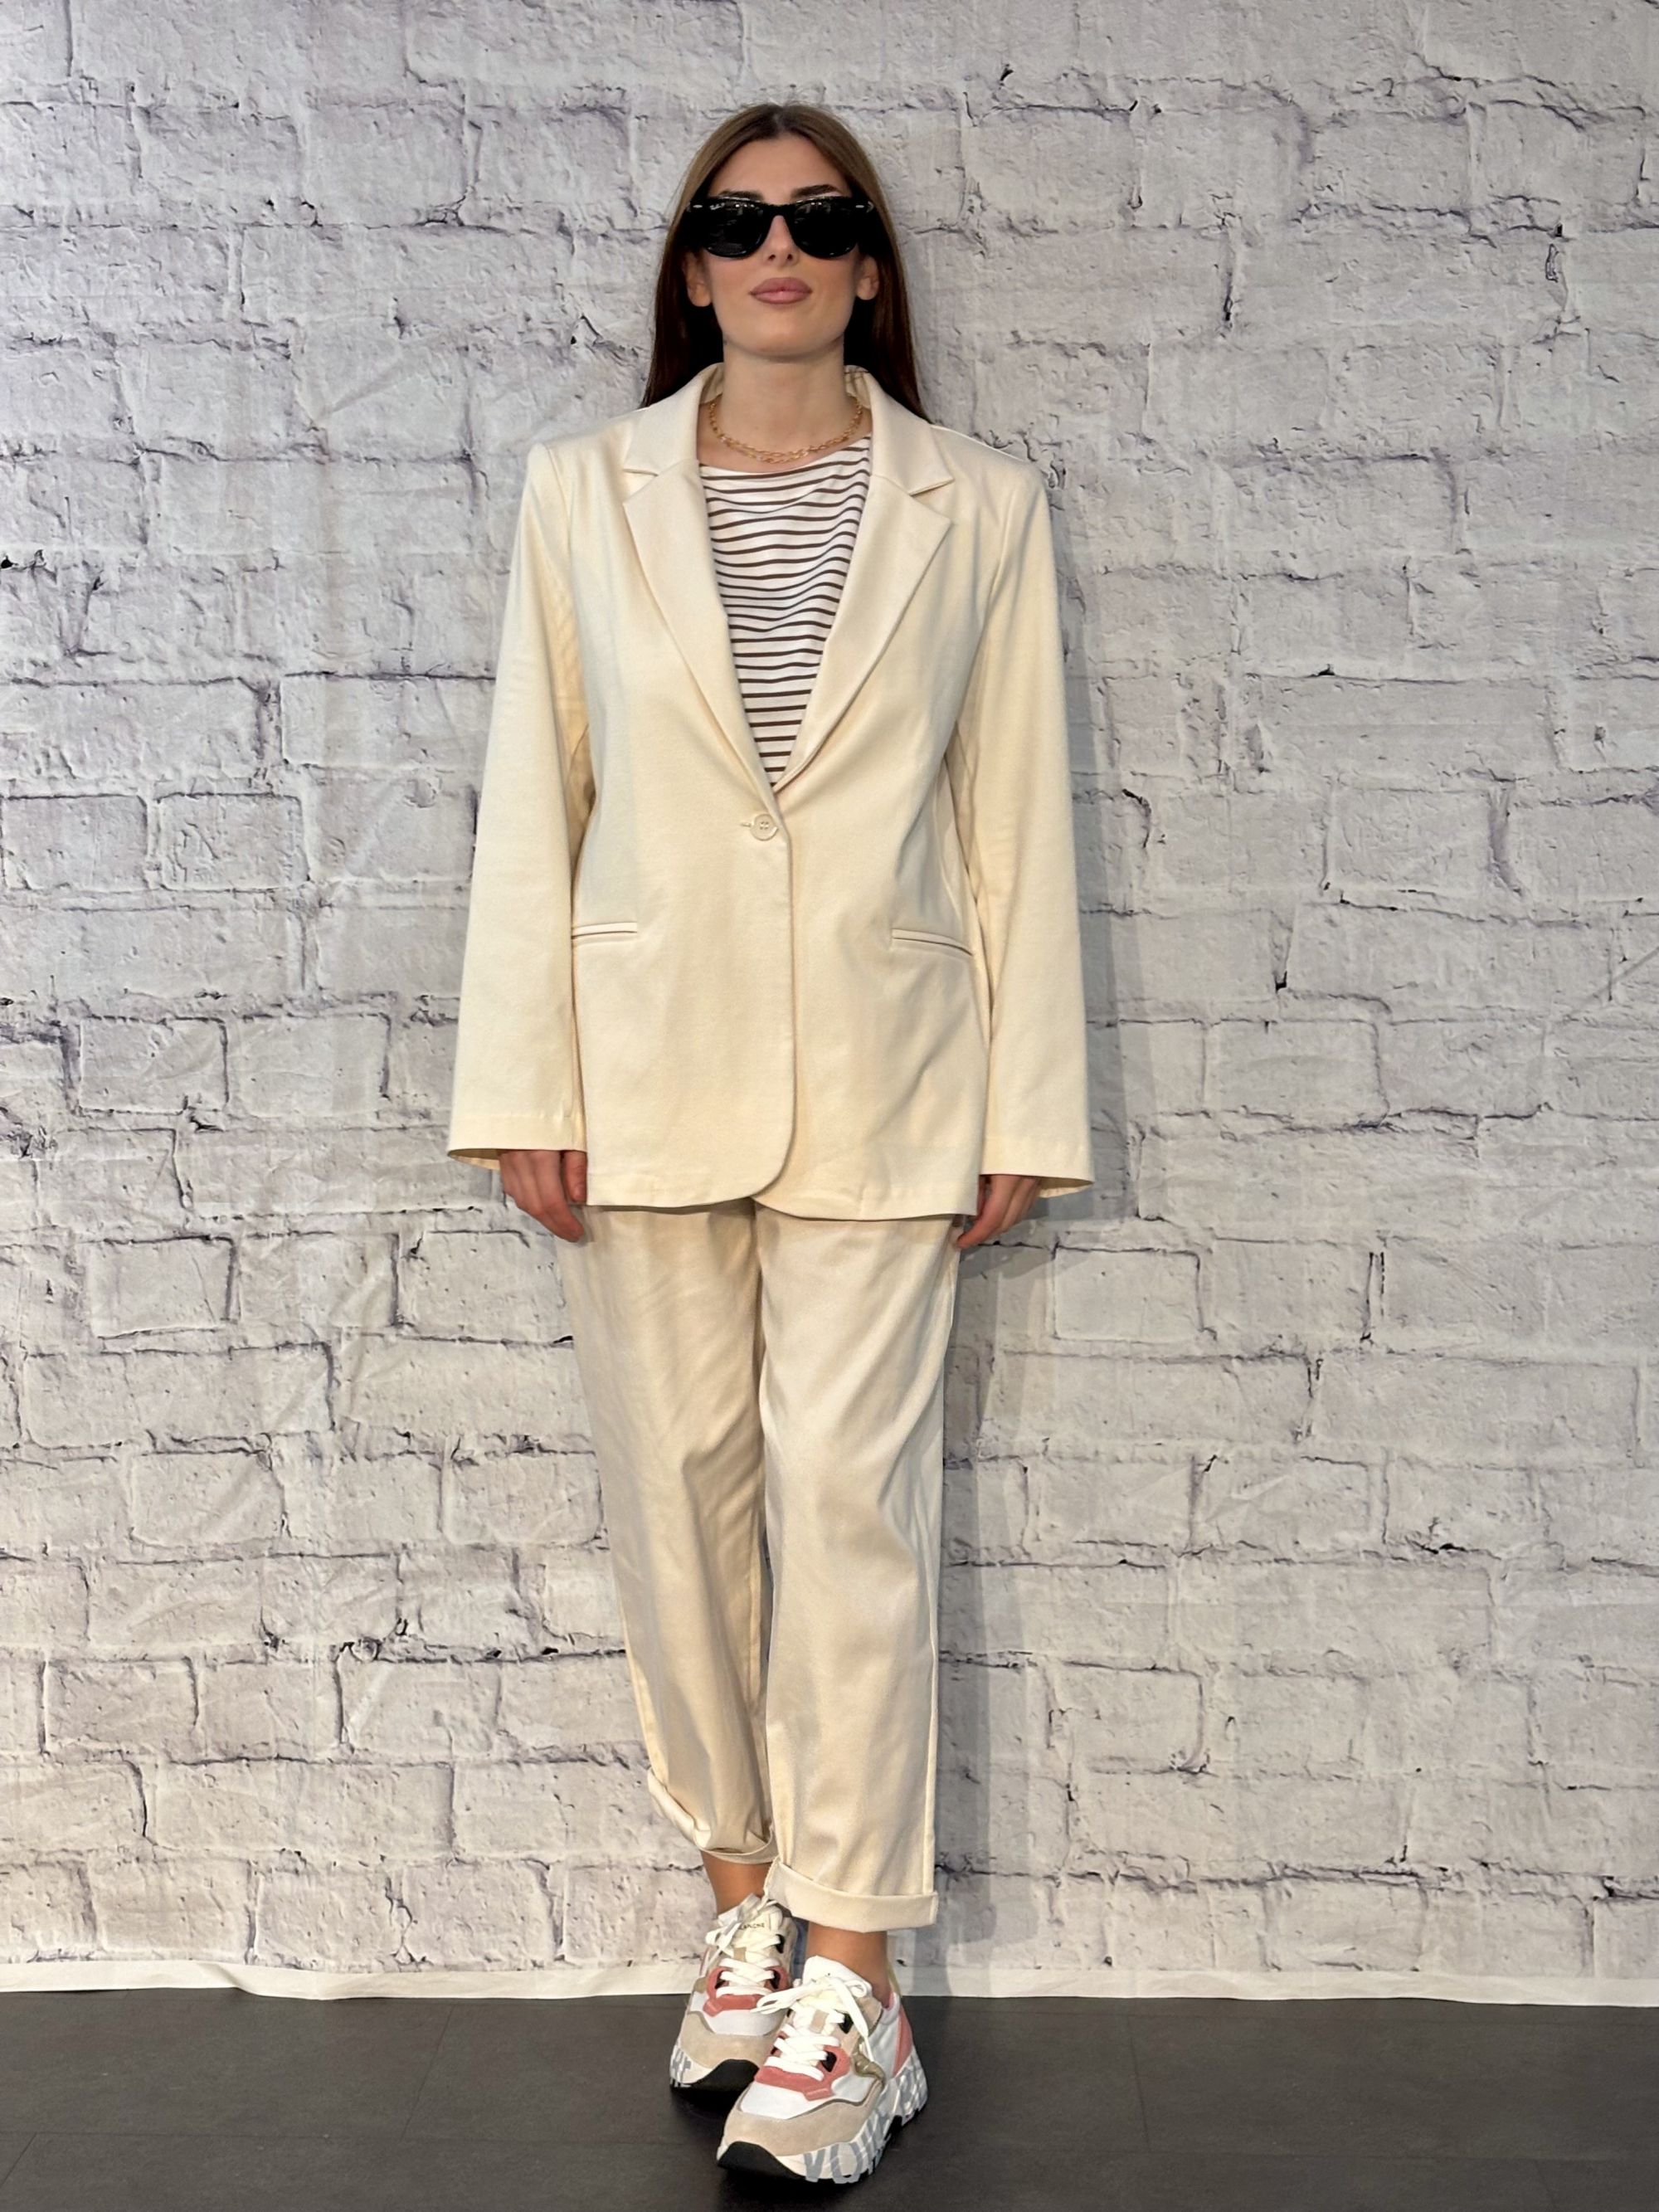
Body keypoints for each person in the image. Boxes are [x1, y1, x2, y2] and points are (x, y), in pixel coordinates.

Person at [446, 100, 1092, 2189]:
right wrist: (519, 1083)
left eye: (818, 218)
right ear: (694, 269)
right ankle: (746, 1909)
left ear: (869, 265)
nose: (777, 246)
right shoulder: (584, 492)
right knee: (681, 1500)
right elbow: (535, 793)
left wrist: (1028, 1100)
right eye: (736, 221)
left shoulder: (976, 507)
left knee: (849, 1507)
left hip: (894, 1071)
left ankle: (858, 1980)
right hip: (640, 1063)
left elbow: (1012, 810)